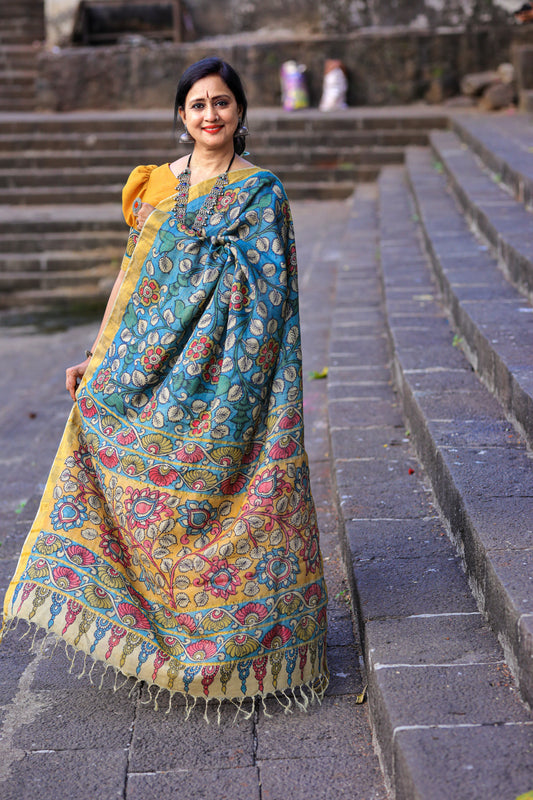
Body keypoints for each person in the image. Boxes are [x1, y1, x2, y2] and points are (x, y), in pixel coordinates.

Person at [1, 57, 328, 713]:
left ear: (240, 113)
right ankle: (147, 630)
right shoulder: (153, 184)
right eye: (198, 105)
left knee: (216, 495)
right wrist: (97, 357)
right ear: (181, 116)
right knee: (106, 450)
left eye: (222, 104)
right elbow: (130, 279)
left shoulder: (261, 193)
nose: (211, 115)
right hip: (152, 366)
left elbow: (272, 296)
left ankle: (232, 640)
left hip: (230, 374)